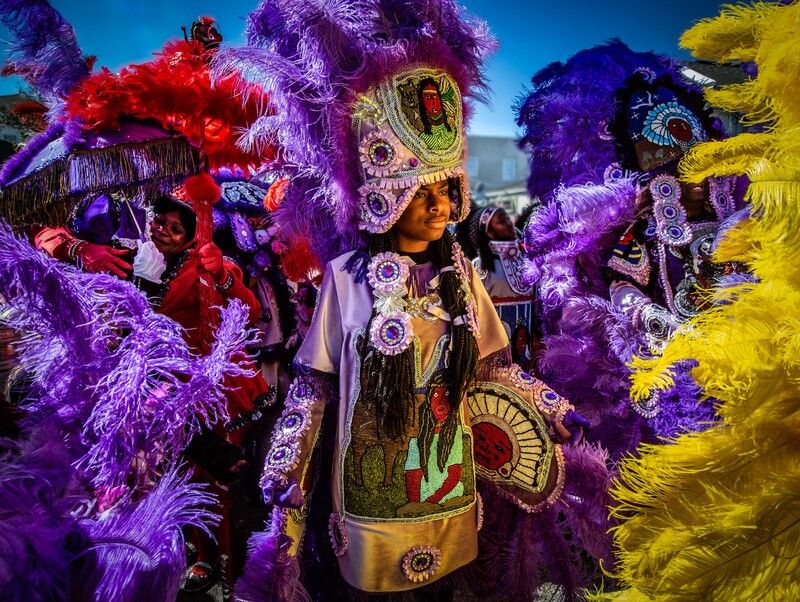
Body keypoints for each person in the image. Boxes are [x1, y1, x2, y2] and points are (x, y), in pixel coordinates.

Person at [221, 2, 612, 599]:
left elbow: (492, 371)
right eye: (419, 191)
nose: (438, 207)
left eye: (445, 190)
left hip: (448, 486)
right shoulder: (346, 277)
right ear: (382, 194)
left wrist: (552, 409)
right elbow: (313, 388)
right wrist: (286, 465)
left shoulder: (461, 272)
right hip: (369, 492)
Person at [458, 205, 538, 370]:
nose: (509, 223)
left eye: (507, 218)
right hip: (497, 346)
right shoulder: (480, 267)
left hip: (528, 345)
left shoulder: (527, 258)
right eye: (501, 222)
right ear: (488, 232)